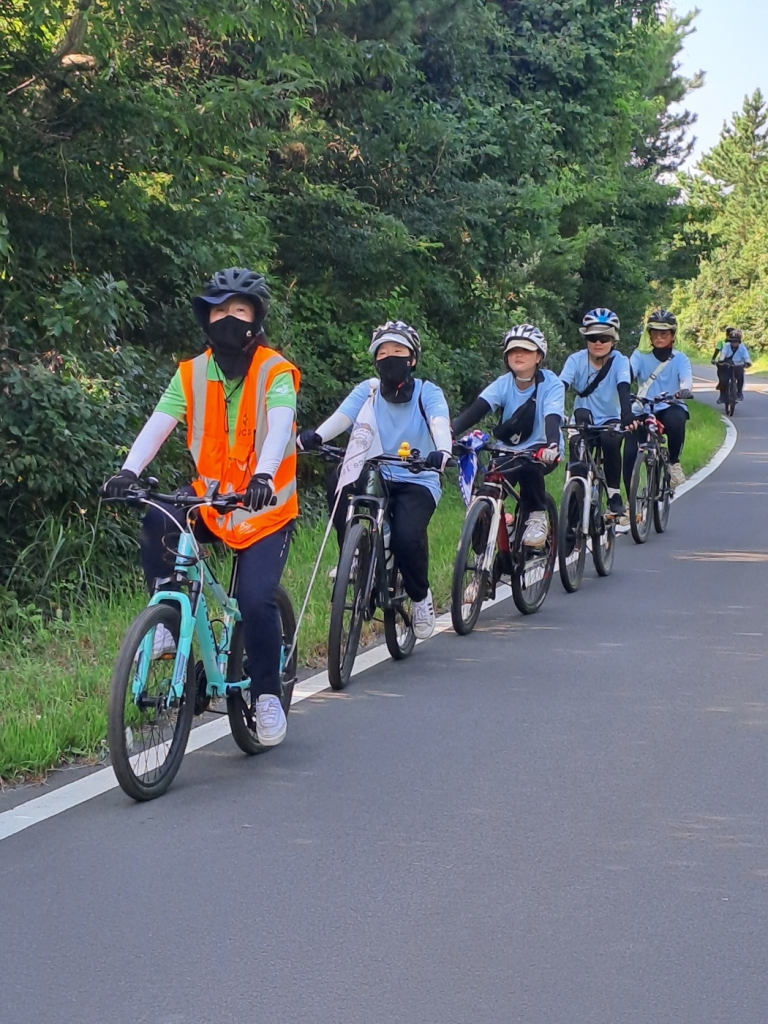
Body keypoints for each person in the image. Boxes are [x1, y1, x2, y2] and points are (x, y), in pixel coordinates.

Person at [102, 268, 299, 748]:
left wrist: (263, 476)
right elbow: (160, 422)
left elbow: (278, 427)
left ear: (255, 320)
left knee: (254, 601)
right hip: (211, 504)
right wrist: (128, 471)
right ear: (205, 318)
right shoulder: (190, 372)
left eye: (239, 310)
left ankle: (268, 696)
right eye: (218, 309)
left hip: (264, 508)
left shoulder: (275, 370)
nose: (227, 318)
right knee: (156, 520)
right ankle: (168, 622)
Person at [297, 321, 452, 641]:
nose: (390, 357)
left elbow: (439, 421)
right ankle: (354, 555)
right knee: (339, 479)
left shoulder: (427, 392)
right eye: (383, 352)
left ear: (412, 359)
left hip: (418, 476)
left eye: (398, 351)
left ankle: (421, 597)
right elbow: (343, 417)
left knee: (408, 537)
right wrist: (316, 436)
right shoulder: (367, 391)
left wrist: (442, 451)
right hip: (376, 470)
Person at [451, 324, 564, 548]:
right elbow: (476, 410)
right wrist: (448, 433)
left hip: (543, 449)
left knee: (530, 465)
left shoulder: (551, 384)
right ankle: (482, 566)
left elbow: (553, 416)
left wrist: (552, 445)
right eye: (512, 351)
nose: (518, 354)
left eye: (526, 350)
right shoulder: (503, 384)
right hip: (508, 449)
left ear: (539, 356)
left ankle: (537, 516)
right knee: (487, 489)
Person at [559, 308, 635, 516]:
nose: (598, 343)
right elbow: (560, 387)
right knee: (578, 458)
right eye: (593, 337)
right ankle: (574, 502)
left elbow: (623, 387)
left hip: (610, 419)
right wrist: (552, 412)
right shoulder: (575, 360)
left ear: (614, 339)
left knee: (611, 442)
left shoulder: (620, 361)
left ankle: (613, 494)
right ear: (586, 339)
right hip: (582, 419)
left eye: (604, 337)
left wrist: (627, 414)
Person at [624, 309, 693, 492]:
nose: (659, 337)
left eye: (664, 333)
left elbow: (686, 378)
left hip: (670, 404)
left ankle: (673, 463)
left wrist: (684, 390)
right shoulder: (639, 356)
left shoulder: (680, 358)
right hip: (643, 407)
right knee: (630, 448)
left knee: (677, 420)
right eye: (655, 332)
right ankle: (629, 501)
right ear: (649, 334)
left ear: (672, 335)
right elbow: (628, 374)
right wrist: (622, 385)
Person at [712, 327, 751, 403]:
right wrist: (721, 361)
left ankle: (739, 392)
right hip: (727, 365)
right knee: (723, 378)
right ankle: (722, 395)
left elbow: (746, 356)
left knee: (740, 376)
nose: (734, 343)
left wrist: (747, 362)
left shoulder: (742, 347)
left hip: (738, 365)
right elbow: (723, 354)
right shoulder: (726, 346)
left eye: (736, 341)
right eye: (732, 341)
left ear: (739, 341)